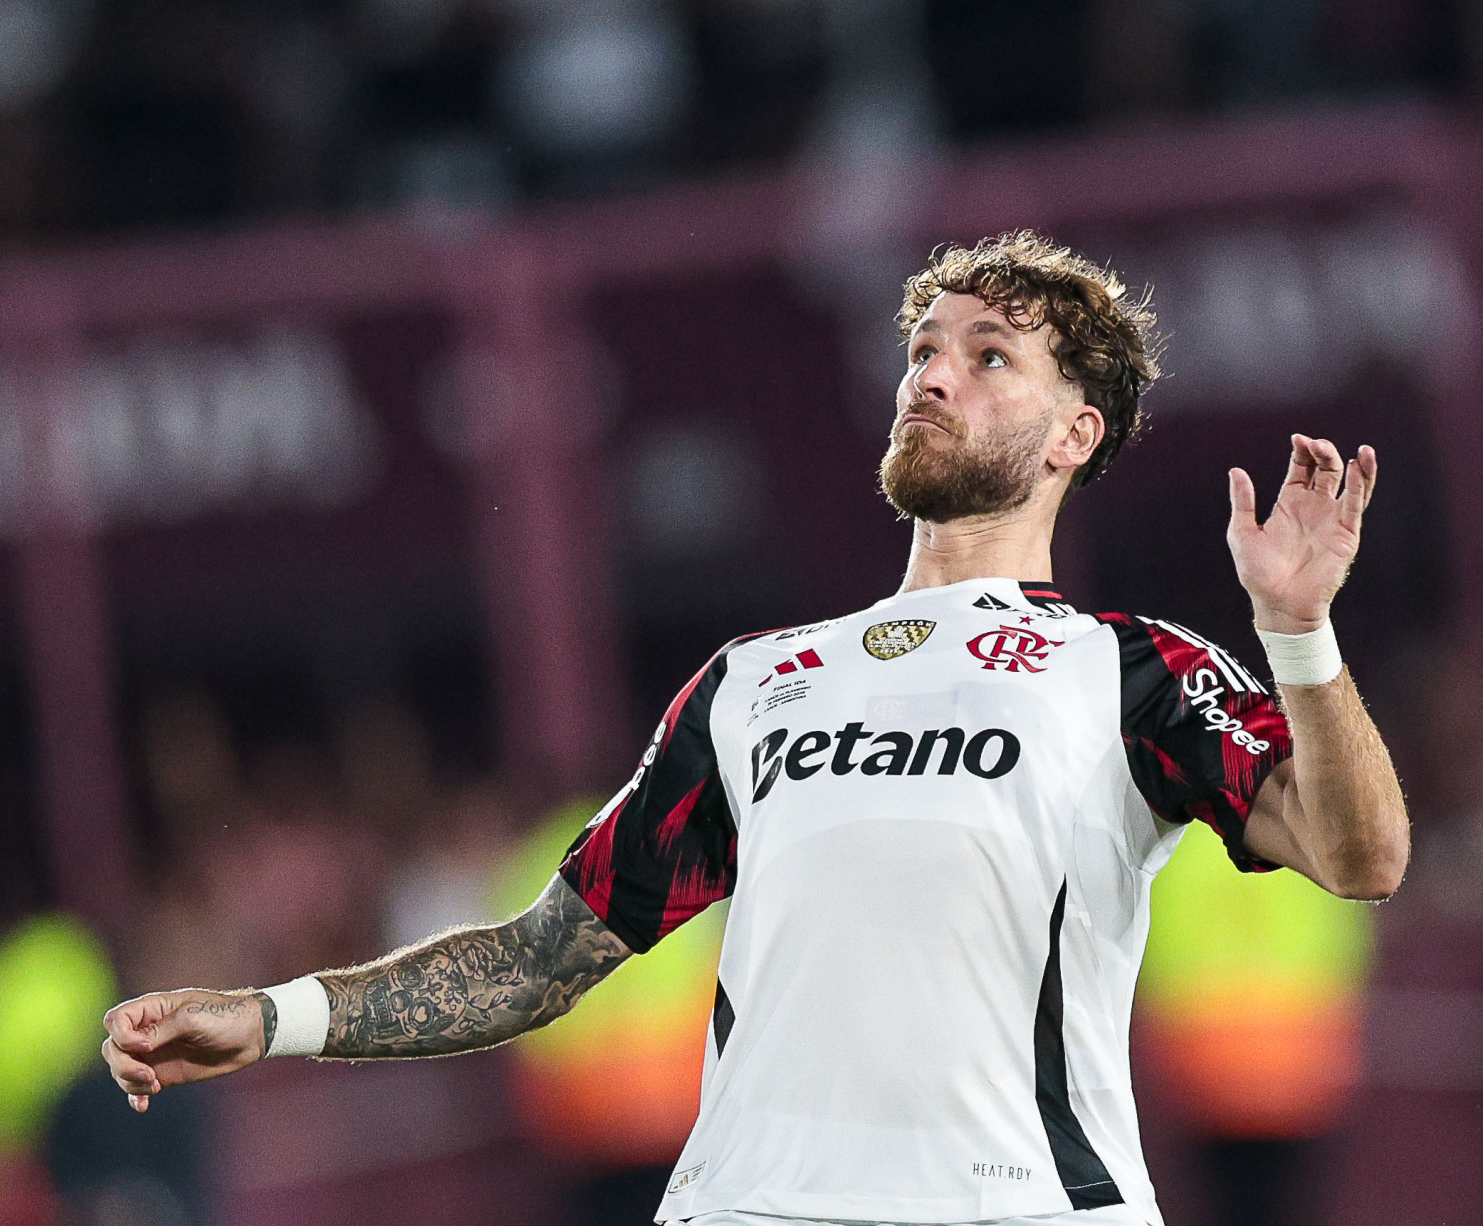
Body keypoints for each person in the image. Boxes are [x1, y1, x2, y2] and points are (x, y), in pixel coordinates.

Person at [101, 232, 1410, 1226]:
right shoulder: (758, 682)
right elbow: (538, 959)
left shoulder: (1126, 670)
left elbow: (1362, 857)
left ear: (1078, 432)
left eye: (986, 357)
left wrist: (1299, 634)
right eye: (924, 353)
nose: (933, 378)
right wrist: (272, 1017)